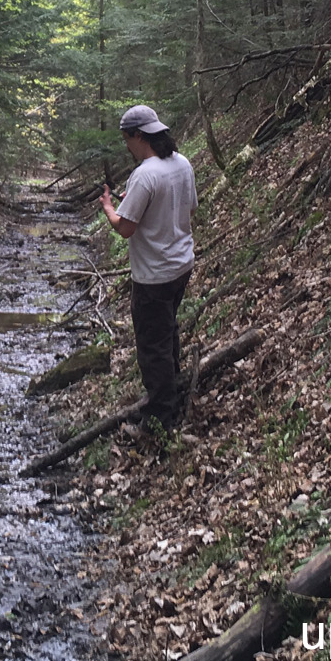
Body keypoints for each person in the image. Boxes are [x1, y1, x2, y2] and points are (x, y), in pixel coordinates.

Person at [99, 104, 197, 434]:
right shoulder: (181, 163)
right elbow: (187, 206)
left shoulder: (145, 173)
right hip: (182, 265)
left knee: (153, 348)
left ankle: (159, 419)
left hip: (154, 276)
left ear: (138, 135)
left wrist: (110, 208)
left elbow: (125, 228)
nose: (126, 145)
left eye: (127, 138)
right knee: (167, 332)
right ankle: (175, 389)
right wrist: (136, 201)